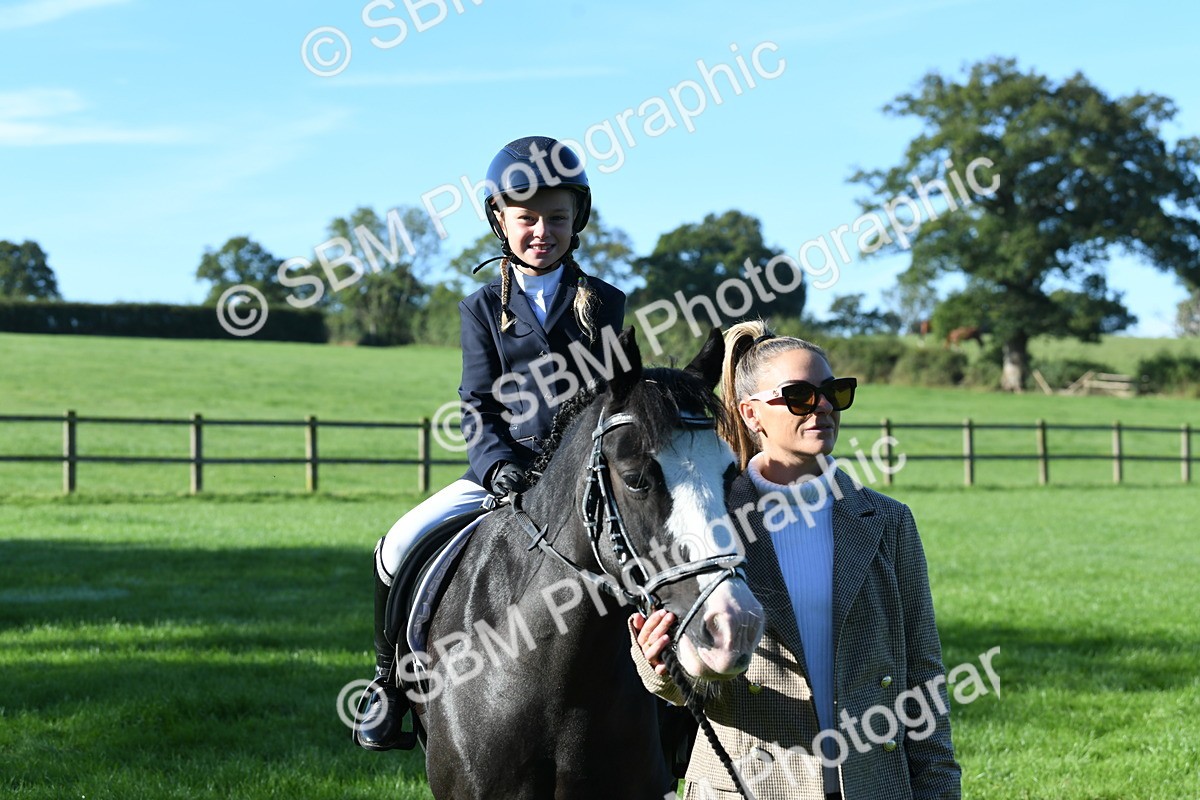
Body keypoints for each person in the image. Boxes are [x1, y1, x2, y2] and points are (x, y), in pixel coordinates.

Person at [354, 136, 626, 750]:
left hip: (587, 476)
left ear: (576, 220)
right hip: (502, 472)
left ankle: (678, 689)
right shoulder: (481, 308)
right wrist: (499, 465)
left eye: (556, 218)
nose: (542, 231)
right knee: (399, 542)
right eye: (527, 217)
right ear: (499, 220)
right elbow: (477, 403)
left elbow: (614, 395)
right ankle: (388, 684)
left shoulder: (605, 303)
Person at [630, 320, 961, 799]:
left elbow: (923, 675)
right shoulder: (712, 522)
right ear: (751, 413)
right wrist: (656, 665)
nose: (822, 405)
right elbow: (688, 687)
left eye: (832, 392)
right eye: (800, 395)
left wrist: (939, 790)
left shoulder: (888, 521)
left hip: (873, 785)